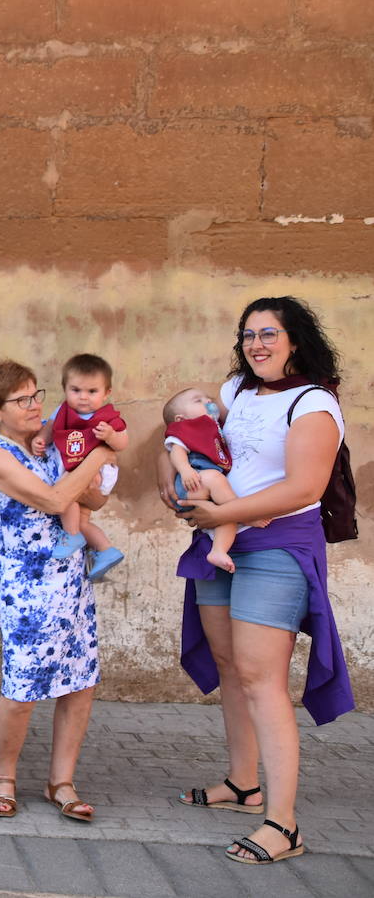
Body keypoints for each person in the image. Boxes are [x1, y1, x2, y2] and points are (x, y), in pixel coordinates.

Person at [163, 297, 353, 865]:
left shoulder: (313, 403)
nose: (257, 345)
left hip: (276, 545)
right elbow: (176, 432)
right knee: (230, 667)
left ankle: (283, 822)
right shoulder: (234, 392)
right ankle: (244, 786)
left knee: (261, 677)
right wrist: (171, 483)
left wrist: (221, 514)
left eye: (269, 334)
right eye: (248, 335)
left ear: (295, 340)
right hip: (221, 543)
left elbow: (303, 489)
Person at [0, 360, 114, 823]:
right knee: (23, 687)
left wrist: (90, 459)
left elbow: (92, 499)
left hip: (70, 578)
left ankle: (62, 781)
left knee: (79, 681)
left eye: (37, 395)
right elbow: (55, 500)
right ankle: (4, 776)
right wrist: (102, 452)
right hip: (24, 586)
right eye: (22, 400)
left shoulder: (51, 444)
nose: (36, 406)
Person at [32, 354, 128, 581]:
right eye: (76, 390)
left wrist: (111, 436)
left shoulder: (107, 418)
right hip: (80, 467)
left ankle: (71, 534)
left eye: (92, 391)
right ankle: (105, 550)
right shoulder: (64, 412)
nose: (83, 397)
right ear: (65, 389)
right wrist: (41, 438)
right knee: (82, 518)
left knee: (66, 488)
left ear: (107, 393)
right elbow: (50, 426)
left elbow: (123, 443)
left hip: (99, 469)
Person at [162, 387, 243, 572]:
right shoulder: (185, 429)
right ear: (180, 419)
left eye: (208, 398)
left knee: (227, 518)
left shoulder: (214, 428)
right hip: (190, 483)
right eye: (198, 400)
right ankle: (244, 513)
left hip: (206, 488)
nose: (208, 401)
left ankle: (219, 551)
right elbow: (177, 451)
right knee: (215, 479)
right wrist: (185, 470)